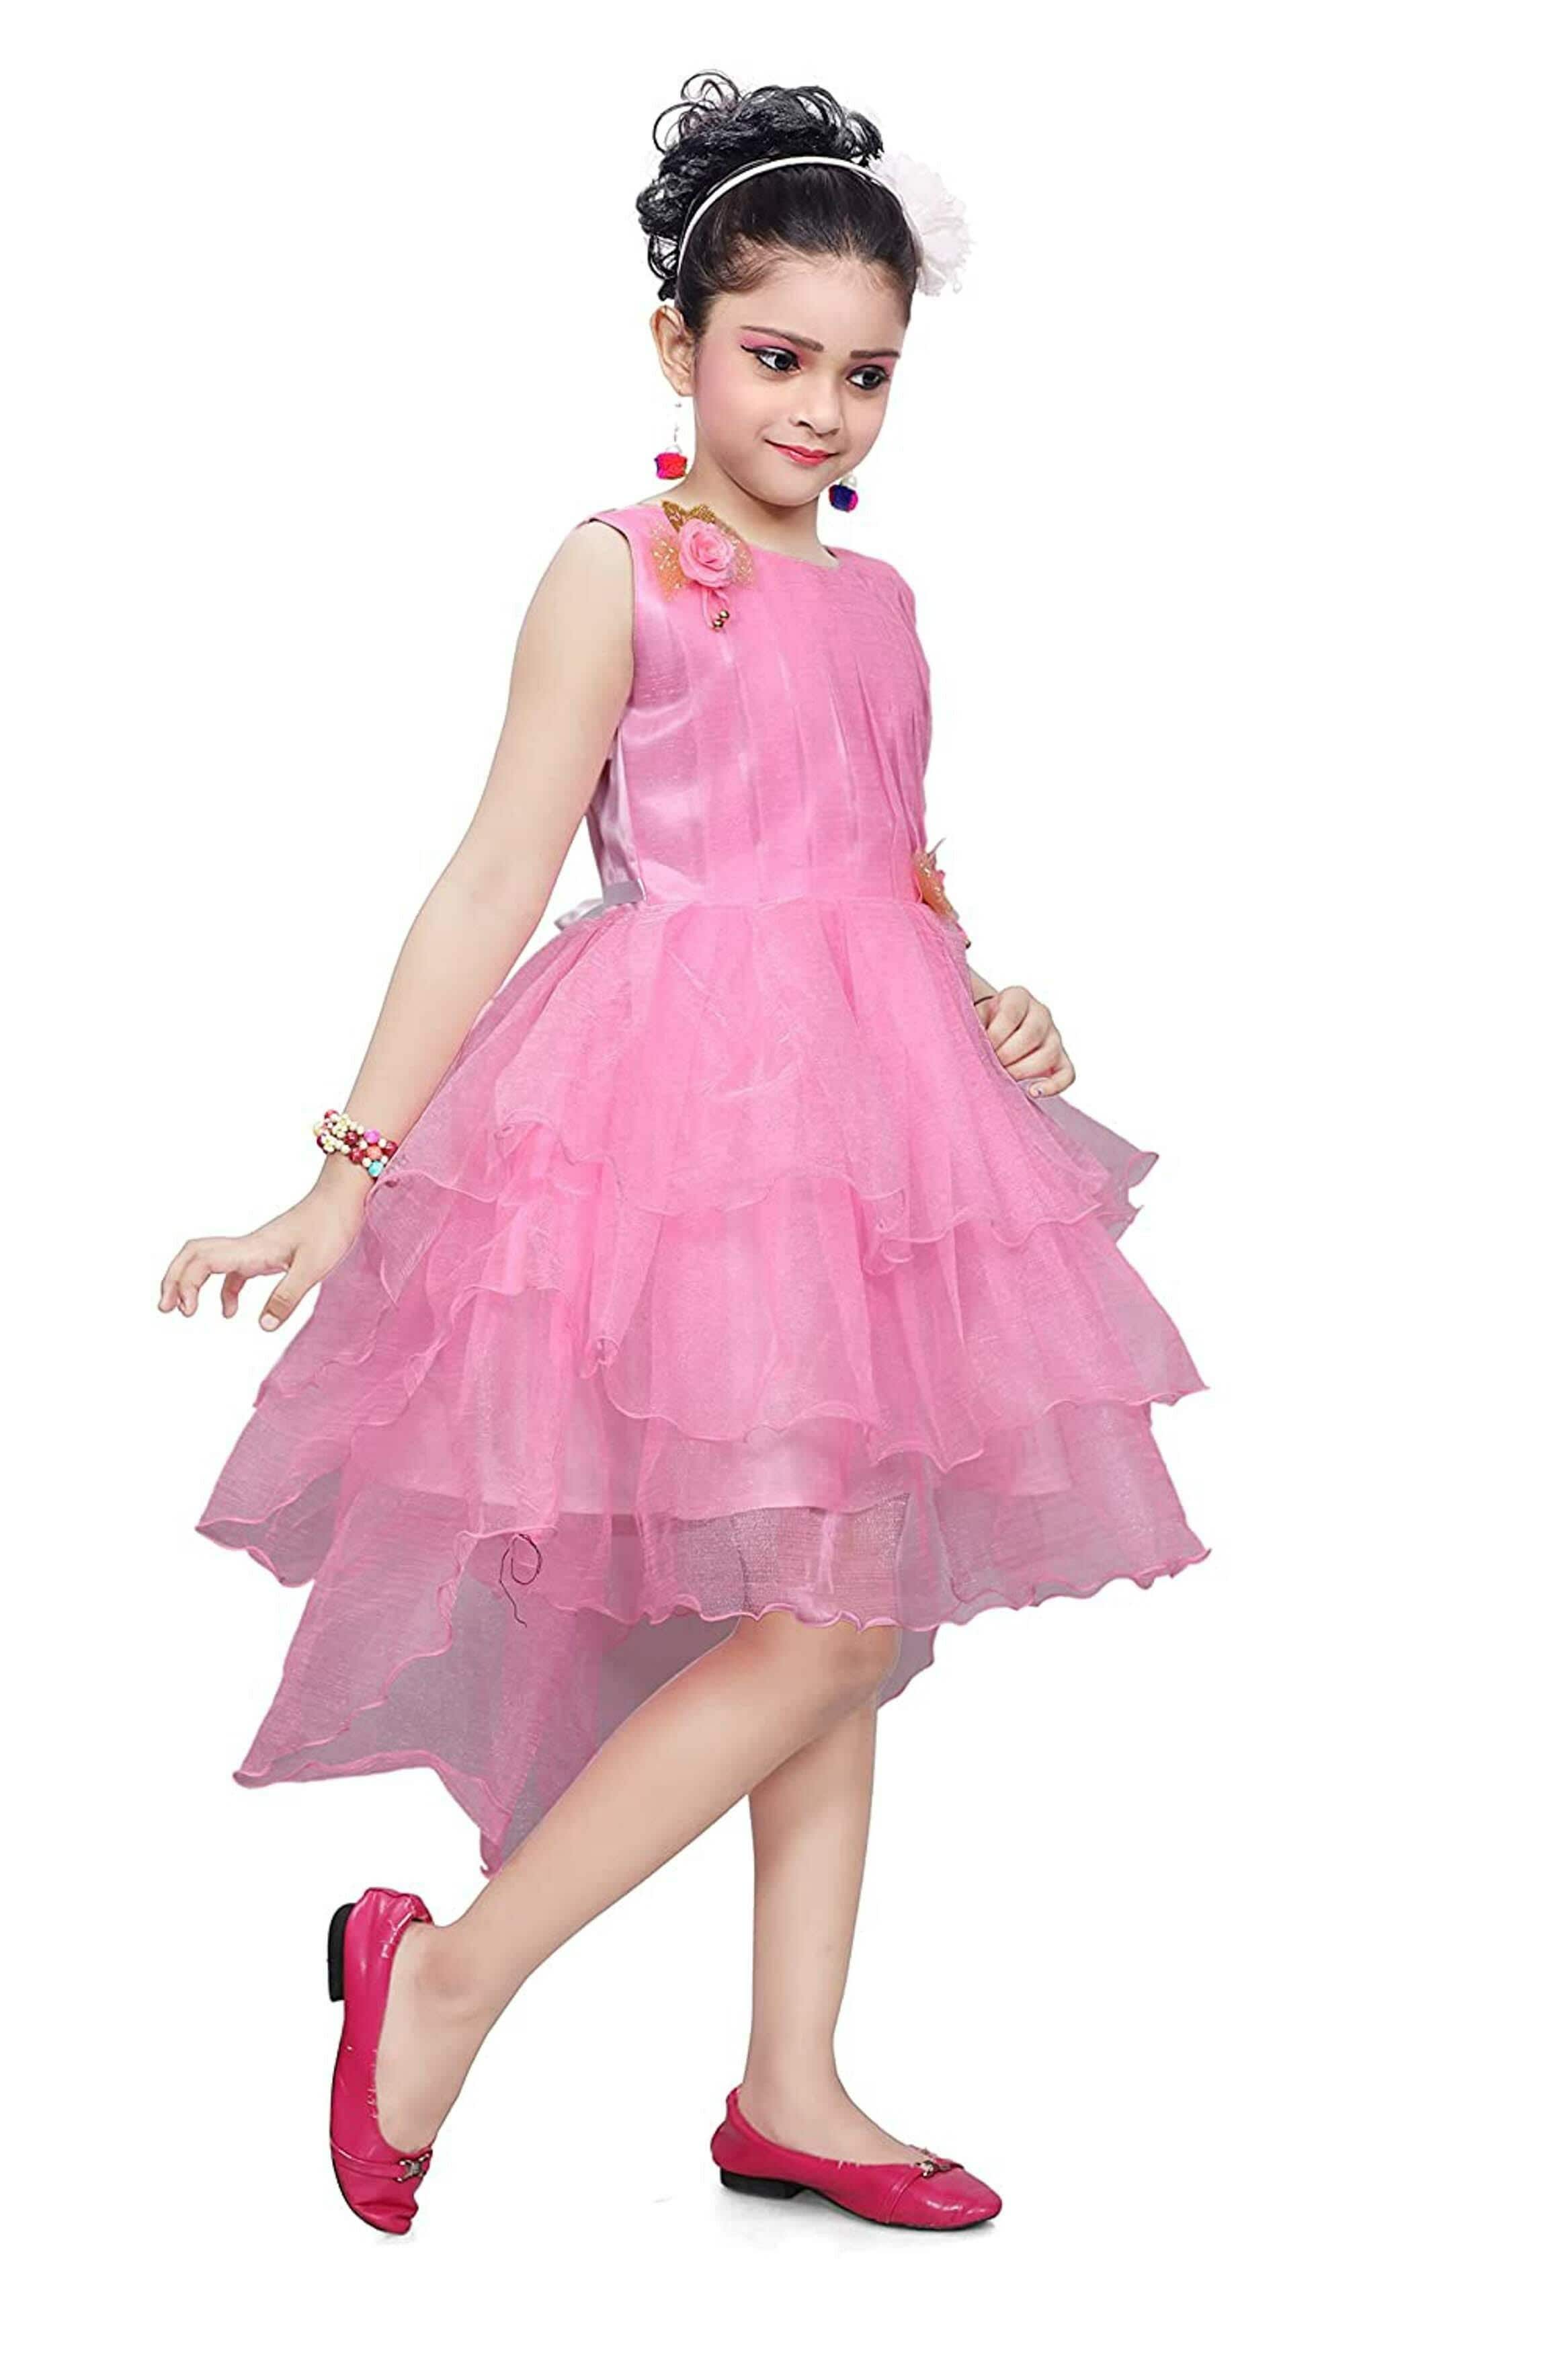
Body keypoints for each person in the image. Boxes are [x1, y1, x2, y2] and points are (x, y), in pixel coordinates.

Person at [161, 71, 1209, 2237]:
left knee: (848, 1597)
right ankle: (446, 1979)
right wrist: (351, 1163)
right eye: (778, 356)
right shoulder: (618, 569)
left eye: (866, 373)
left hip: (868, 1135)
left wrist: (988, 994)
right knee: (819, 1617)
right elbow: (493, 874)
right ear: (678, 342)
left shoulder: (885, 604)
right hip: (682, 1146)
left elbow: (887, 865)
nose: (820, 408)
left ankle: (792, 2078)